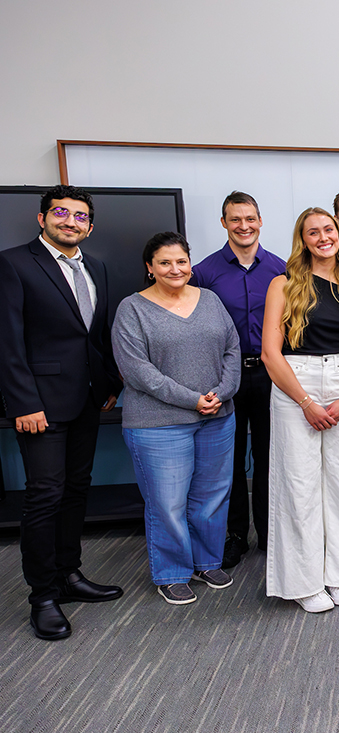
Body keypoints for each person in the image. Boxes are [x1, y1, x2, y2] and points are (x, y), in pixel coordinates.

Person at [0, 185, 123, 641]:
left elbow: (98, 335)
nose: (71, 221)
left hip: (88, 398)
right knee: (44, 497)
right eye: (61, 213)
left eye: (80, 216)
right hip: (40, 405)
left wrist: (109, 384)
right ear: (42, 218)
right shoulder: (13, 264)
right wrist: (23, 403)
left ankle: (70, 576)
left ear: (90, 226)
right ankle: (43, 597)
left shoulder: (99, 268)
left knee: (76, 491)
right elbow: (7, 342)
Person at [113, 232, 242, 605]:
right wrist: (192, 400)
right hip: (159, 423)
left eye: (181, 261)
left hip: (218, 415)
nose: (175, 269)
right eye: (165, 263)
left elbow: (232, 349)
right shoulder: (132, 309)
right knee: (167, 502)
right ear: (149, 268)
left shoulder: (211, 300)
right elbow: (137, 371)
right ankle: (172, 571)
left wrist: (224, 391)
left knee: (212, 496)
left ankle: (206, 561)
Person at [261, 207, 339, 613]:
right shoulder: (284, 284)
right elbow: (270, 354)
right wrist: (306, 401)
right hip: (297, 382)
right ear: (303, 239)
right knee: (299, 485)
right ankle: (305, 582)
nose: (324, 237)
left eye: (329, 229)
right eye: (314, 232)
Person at [191, 191, 287, 569]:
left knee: (269, 458)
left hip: (270, 376)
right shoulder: (204, 272)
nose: (243, 226)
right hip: (223, 378)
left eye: (250, 219)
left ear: (260, 221)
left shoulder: (281, 269)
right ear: (224, 223)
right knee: (227, 462)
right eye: (235, 219)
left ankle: (269, 532)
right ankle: (233, 536)